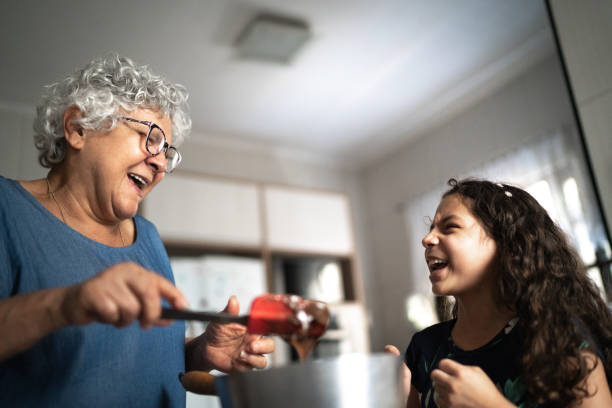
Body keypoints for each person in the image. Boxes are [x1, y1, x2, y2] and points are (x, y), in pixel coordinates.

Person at [0, 54, 274, 407]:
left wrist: (202, 351)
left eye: (167, 151)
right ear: (78, 127)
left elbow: (145, 361)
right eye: (150, 138)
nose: (160, 162)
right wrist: (65, 304)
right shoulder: (8, 210)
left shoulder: (148, 238)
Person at [386, 178, 612, 407]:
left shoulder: (563, 339)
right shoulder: (423, 348)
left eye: (450, 227)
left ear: (506, 244)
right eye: (431, 229)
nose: (427, 239)